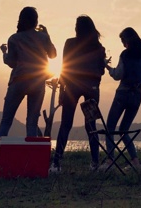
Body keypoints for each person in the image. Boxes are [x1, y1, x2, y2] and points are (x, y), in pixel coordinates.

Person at [50, 15, 107, 173]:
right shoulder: (99, 47)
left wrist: (62, 90)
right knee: (91, 126)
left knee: (66, 124)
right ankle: (95, 163)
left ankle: (56, 163)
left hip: (73, 86)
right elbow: (101, 71)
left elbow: (65, 67)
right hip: (92, 88)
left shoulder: (70, 43)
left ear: (78, 28)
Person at [0, 7, 57, 140]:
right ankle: (31, 158)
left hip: (19, 80)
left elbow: (11, 62)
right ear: (36, 21)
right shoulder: (43, 37)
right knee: (32, 122)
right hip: (37, 82)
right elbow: (53, 55)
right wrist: (47, 35)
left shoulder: (14, 38)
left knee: (6, 121)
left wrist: (4, 52)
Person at [102, 27, 141, 170]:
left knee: (110, 128)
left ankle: (110, 161)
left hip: (123, 92)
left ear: (127, 40)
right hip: (137, 94)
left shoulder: (126, 54)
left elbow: (118, 74)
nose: (122, 44)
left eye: (122, 40)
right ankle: (135, 162)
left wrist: (107, 67)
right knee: (124, 129)